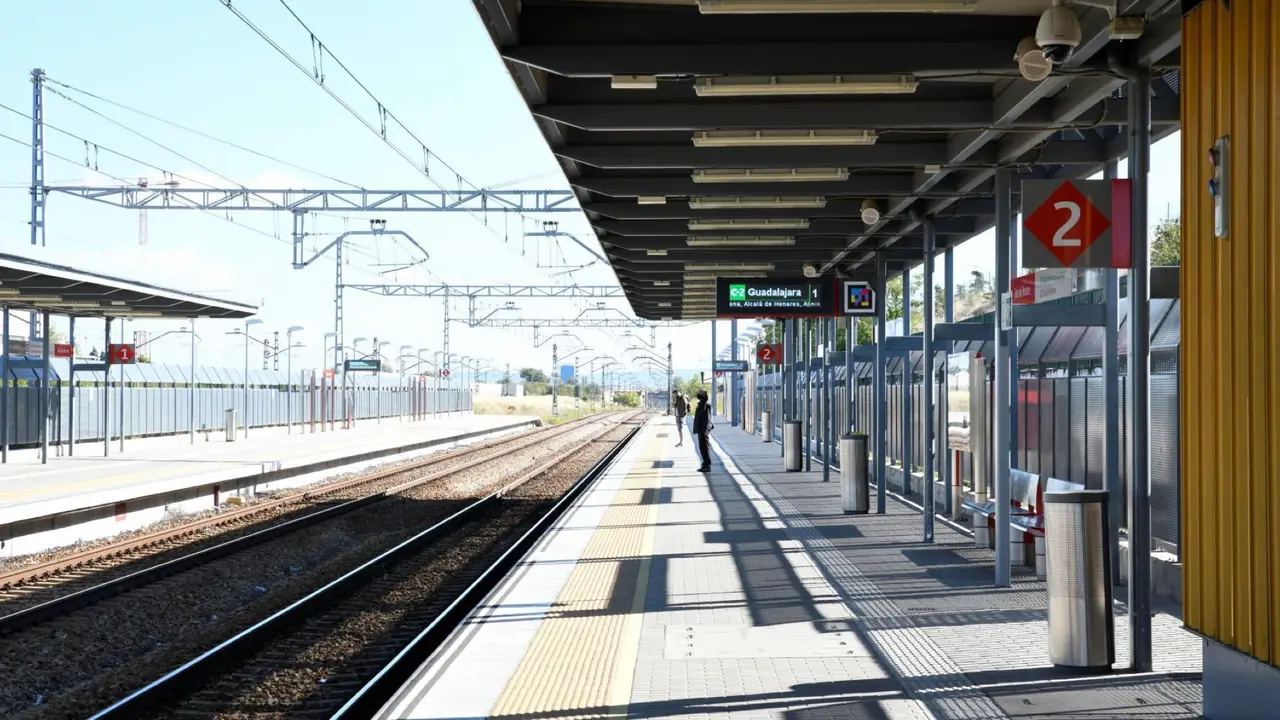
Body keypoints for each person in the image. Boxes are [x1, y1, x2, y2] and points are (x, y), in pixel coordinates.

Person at [693, 388, 713, 472]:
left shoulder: (704, 404)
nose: (698, 392)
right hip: (701, 429)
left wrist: (705, 430)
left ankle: (707, 465)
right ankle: (705, 464)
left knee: (704, 447)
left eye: (700, 392)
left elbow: (707, 418)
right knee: (702, 448)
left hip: (703, 429)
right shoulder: (701, 403)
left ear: (703, 394)